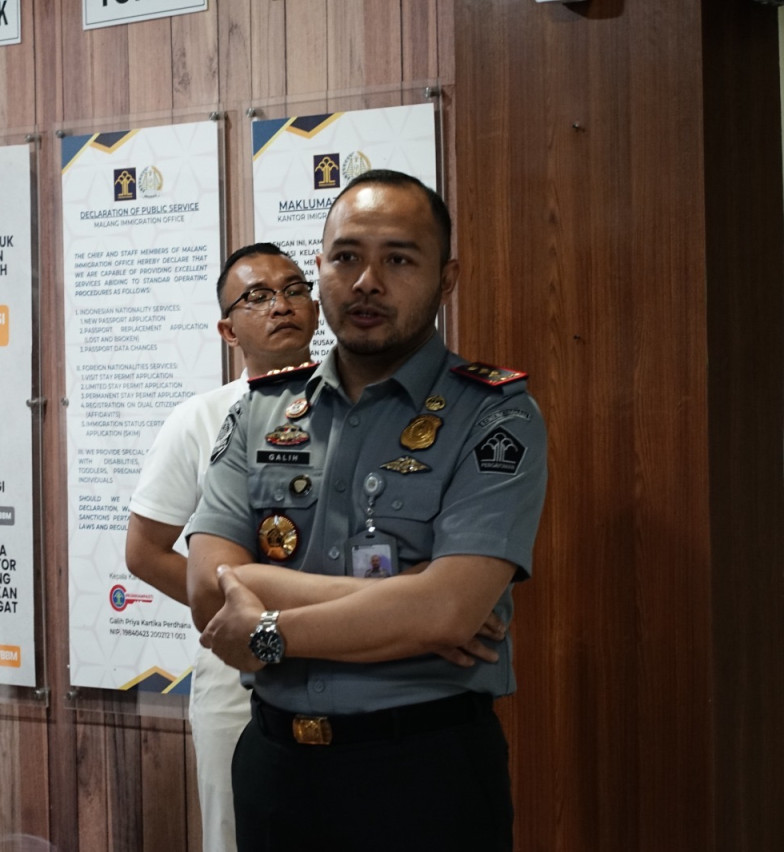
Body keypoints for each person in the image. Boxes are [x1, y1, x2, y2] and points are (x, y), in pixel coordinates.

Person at [188, 170, 548, 851]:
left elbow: (449, 612)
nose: (366, 282)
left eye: (399, 259)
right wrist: (407, 603)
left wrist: (267, 629)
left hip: (423, 774)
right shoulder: (261, 413)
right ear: (320, 268)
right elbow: (209, 589)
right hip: (275, 769)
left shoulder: (495, 415)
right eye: (347, 257)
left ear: (446, 280)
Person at [124, 242, 318, 852]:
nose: (280, 305)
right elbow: (145, 550)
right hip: (240, 667)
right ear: (228, 328)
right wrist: (227, 606)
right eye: (257, 297)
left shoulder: (359, 405)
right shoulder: (203, 419)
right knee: (237, 833)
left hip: (346, 651)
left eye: (293, 289)